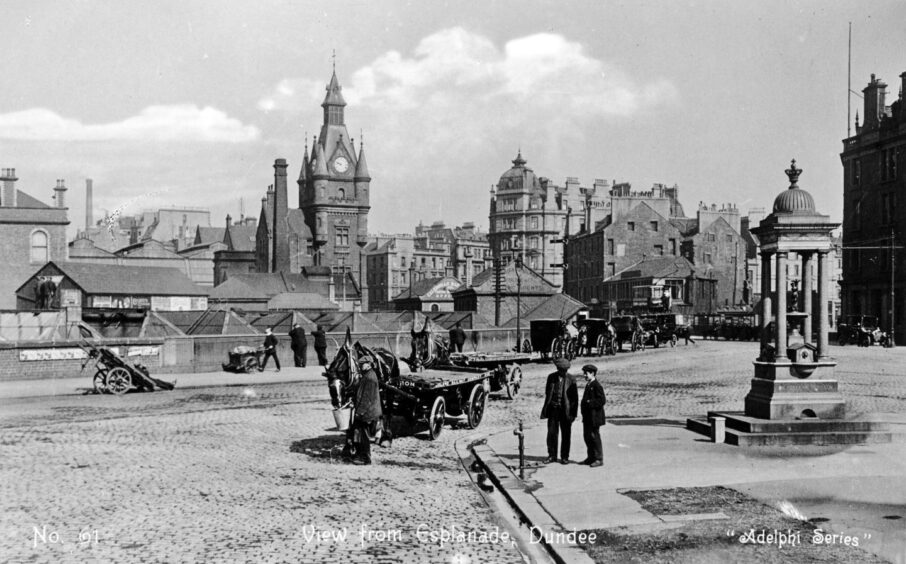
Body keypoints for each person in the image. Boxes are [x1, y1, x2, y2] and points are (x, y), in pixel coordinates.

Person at [540, 358, 578, 465]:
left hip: (565, 411)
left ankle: (565, 457)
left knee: (566, 434)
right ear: (558, 369)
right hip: (553, 410)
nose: (563, 372)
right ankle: (552, 455)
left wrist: (573, 414)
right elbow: (548, 392)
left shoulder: (571, 379)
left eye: (565, 370)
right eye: (561, 370)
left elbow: (575, 399)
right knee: (552, 433)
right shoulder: (551, 377)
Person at [351, 360, 382, 465]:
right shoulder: (368, 375)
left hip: (368, 412)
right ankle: (360, 454)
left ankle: (365, 458)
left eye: (362, 364)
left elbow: (366, 398)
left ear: (368, 364)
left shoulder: (369, 378)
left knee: (364, 435)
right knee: (360, 432)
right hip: (368, 410)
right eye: (359, 364)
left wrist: (359, 412)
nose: (360, 366)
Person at [579, 364, 606, 468]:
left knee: (594, 437)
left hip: (595, 417)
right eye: (584, 373)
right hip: (588, 417)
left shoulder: (596, 385)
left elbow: (602, 400)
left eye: (586, 373)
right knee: (587, 437)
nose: (584, 375)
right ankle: (590, 457)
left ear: (592, 373)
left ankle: (599, 458)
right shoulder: (589, 384)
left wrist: (590, 402)